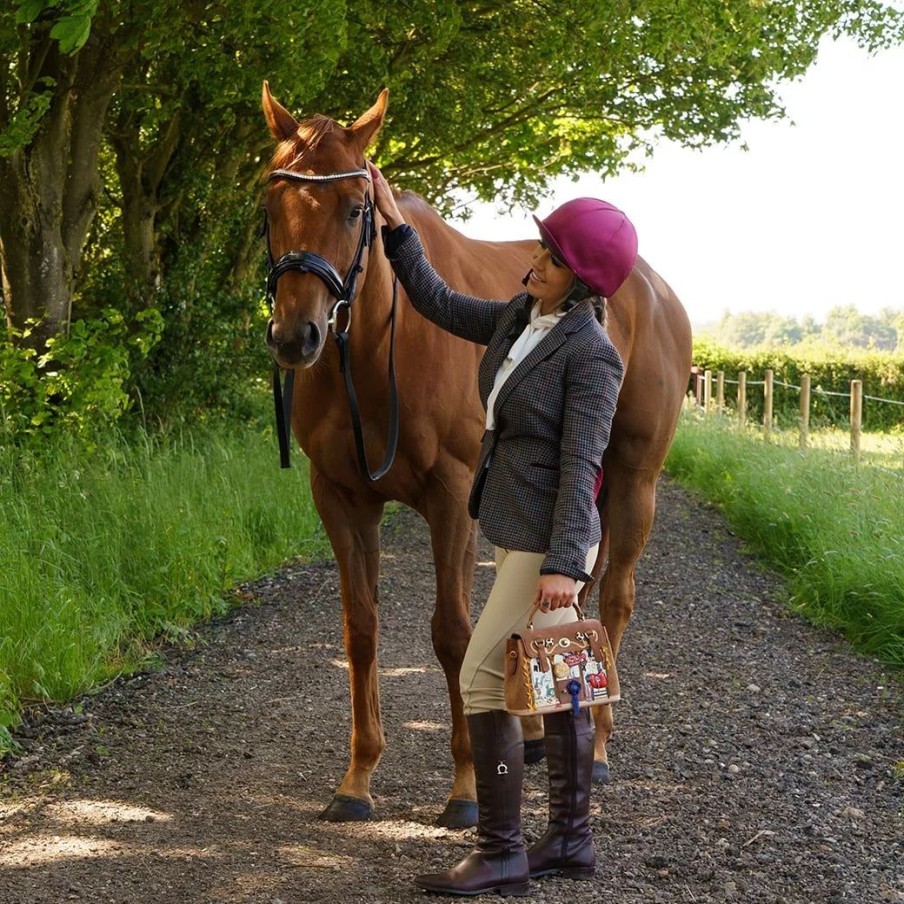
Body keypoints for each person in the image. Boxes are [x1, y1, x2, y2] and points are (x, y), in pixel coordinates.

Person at [369, 162, 635, 897]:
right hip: (521, 529)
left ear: (581, 280)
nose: (534, 261)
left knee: (481, 675)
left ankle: (499, 850)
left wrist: (563, 569)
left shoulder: (592, 355)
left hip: (551, 541)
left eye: (550, 257)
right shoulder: (521, 319)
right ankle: (570, 843)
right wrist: (397, 227)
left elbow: (586, 464)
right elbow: (440, 302)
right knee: (561, 682)